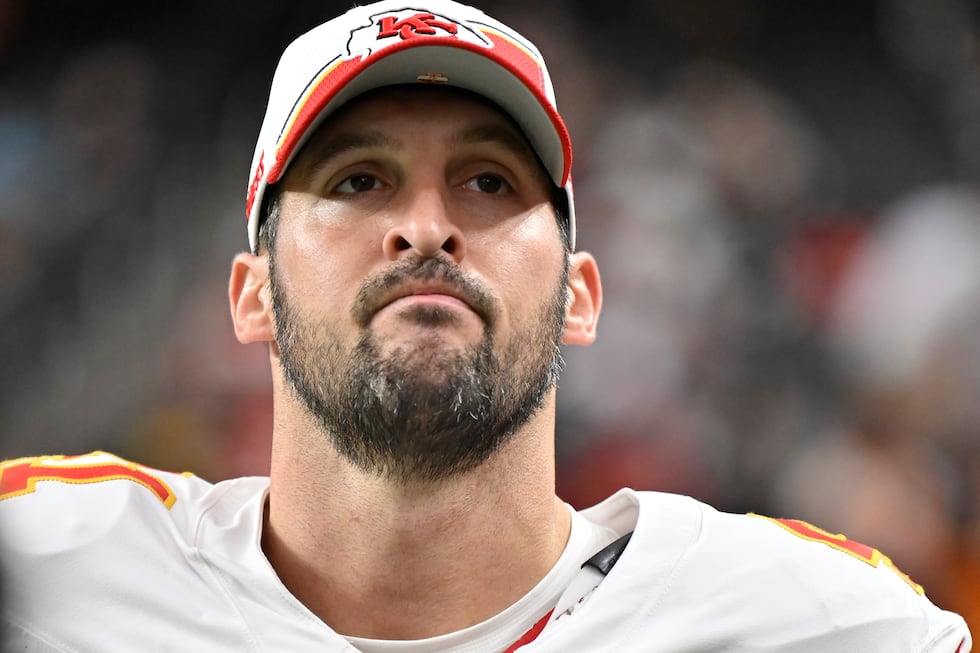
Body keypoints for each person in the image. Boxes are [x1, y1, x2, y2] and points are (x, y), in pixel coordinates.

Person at [0, 1, 971, 650]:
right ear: (250, 295)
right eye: (357, 181)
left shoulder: (819, 625)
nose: (424, 226)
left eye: (486, 182)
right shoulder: (47, 559)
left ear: (581, 295)